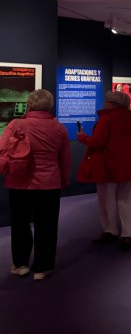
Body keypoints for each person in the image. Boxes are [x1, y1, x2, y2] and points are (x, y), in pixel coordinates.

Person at [0, 89, 70, 280]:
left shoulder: (16, 124)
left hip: (19, 183)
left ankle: (20, 264)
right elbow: (64, 159)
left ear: (29, 104)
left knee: (20, 224)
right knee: (46, 225)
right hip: (49, 184)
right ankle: (42, 267)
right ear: (50, 106)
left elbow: (2, 148)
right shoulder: (59, 128)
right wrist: (63, 180)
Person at [77, 90, 131, 251]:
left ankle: (110, 230)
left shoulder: (107, 119)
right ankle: (127, 234)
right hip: (129, 165)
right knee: (128, 200)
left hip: (108, 165)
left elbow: (97, 142)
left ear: (113, 104)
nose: (104, 104)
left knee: (106, 200)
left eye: (107, 101)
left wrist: (82, 137)